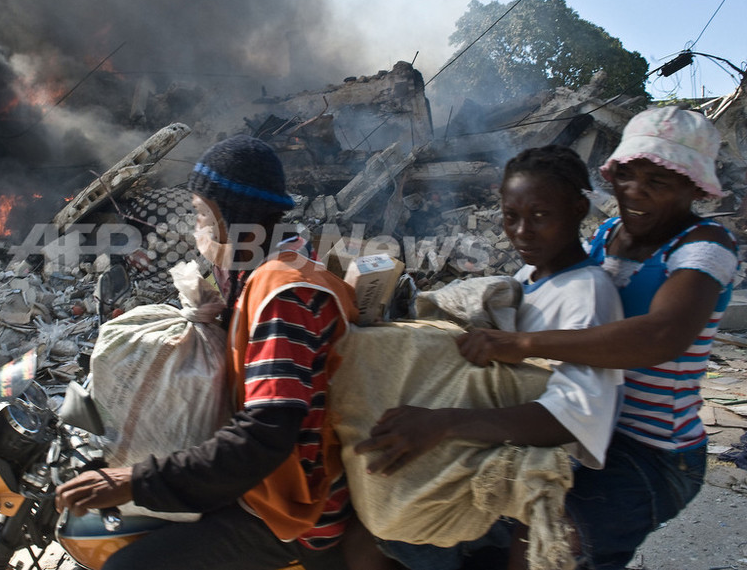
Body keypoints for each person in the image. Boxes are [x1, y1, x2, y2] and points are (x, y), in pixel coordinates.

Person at [55, 135, 361, 570]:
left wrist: (134, 480)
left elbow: (265, 436)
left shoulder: (283, 296)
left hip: (291, 513)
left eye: (201, 214)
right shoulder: (268, 274)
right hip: (262, 487)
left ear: (235, 218)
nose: (195, 229)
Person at [457, 107, 739, 569]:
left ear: (695, 187)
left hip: (652, 453)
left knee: (544, 538)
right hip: (593, 427)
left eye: (658, 180)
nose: (635, 191)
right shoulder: (610, 234)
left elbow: (662, 335)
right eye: (627, 175)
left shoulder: (705, 246)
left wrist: (525, 345)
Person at [354, 144, 624, 569]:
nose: (522, 232)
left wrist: (443, 424)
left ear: (577, 209)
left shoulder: (586, 293)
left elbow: (573, 419)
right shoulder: (527, 279)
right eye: (511, 216)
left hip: (534, 478)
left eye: (540, 215)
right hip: (494, 449)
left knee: (375, 534)